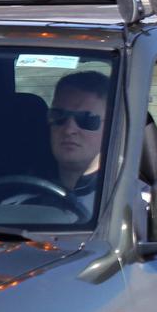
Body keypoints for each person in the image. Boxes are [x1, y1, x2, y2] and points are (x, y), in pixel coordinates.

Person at [47, 70, 111, 215]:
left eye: (86, 119)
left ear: (112, 127)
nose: (69, 129)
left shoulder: (135, 202)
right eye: (59, 116)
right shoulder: (16, 202)